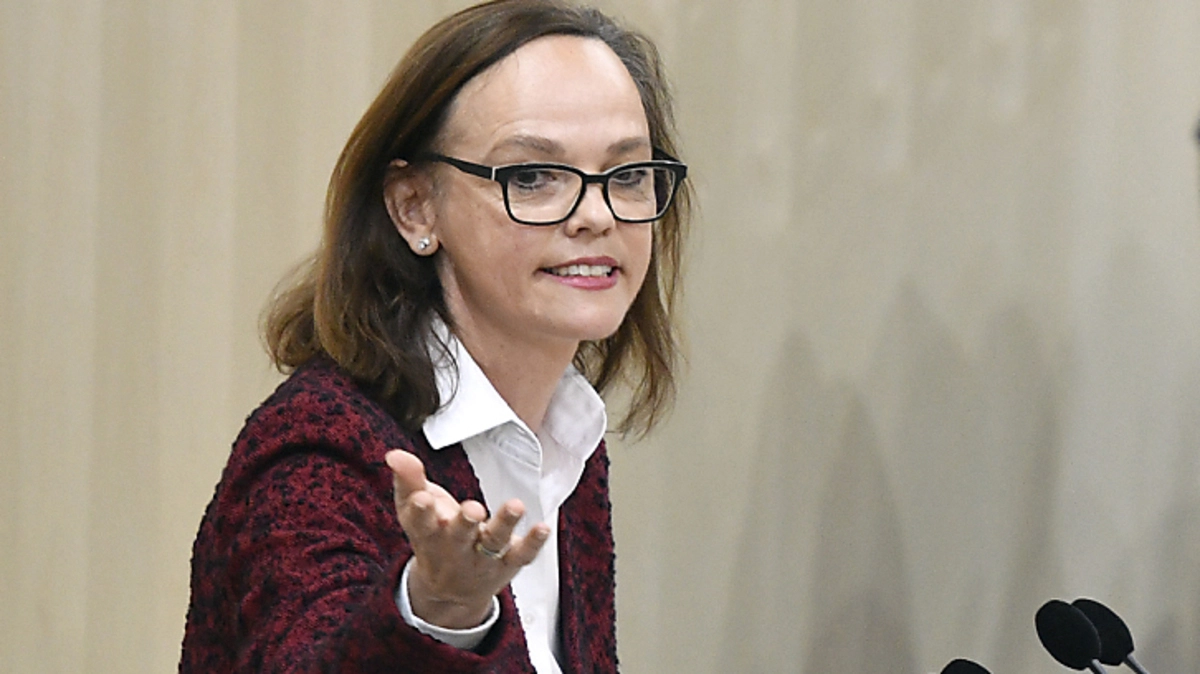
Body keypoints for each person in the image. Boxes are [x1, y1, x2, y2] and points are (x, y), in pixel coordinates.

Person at [179, 0, 691, 671]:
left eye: (627, 175)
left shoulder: (566, 437)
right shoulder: (318, 448)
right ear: (415, 207)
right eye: (532, 177)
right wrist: (439, 611)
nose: (596, 215)